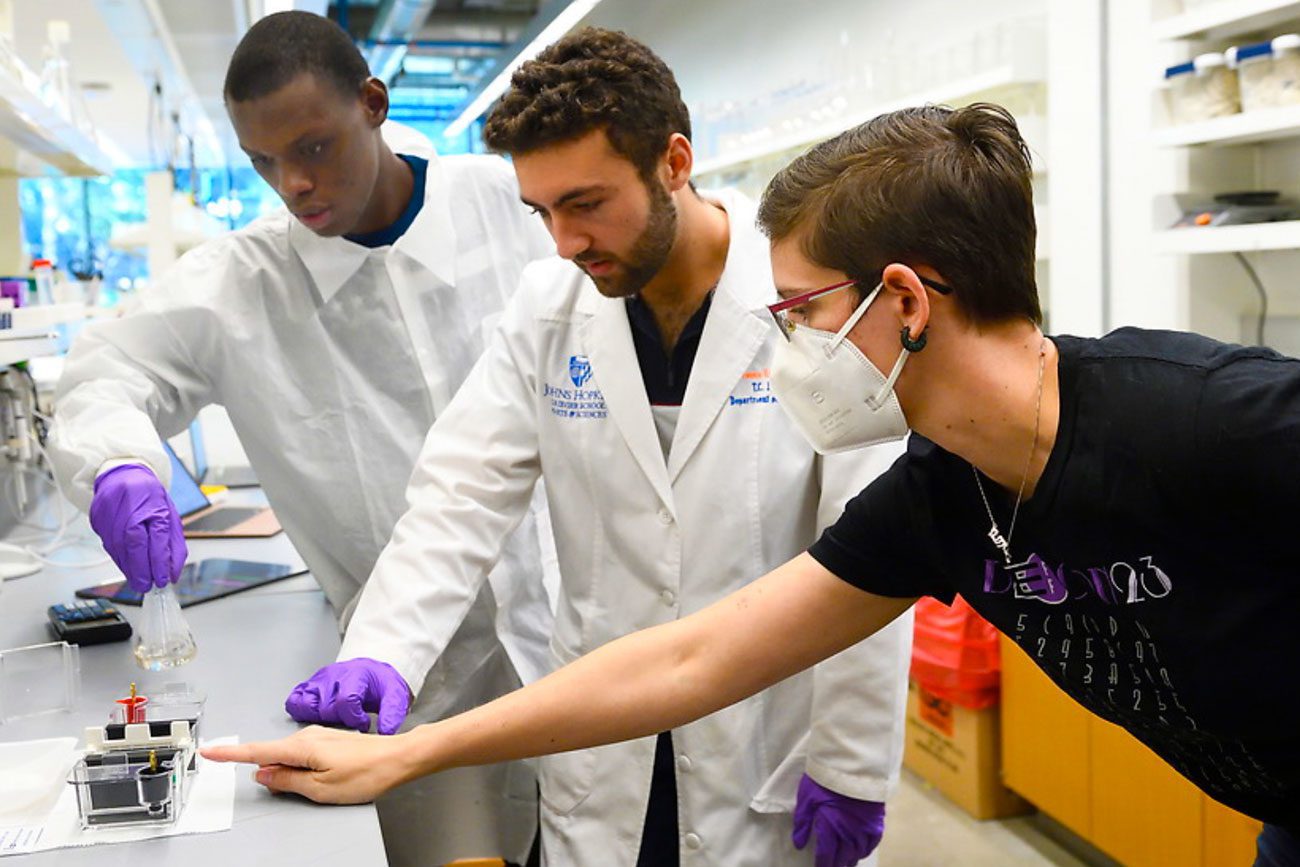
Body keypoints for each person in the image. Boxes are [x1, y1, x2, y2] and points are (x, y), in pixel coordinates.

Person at [205, 102, 1300, 859]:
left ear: (905, 303)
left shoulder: (1206, 419)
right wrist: (409, 754)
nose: (786, 348)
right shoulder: (940, 497)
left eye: (802, 312)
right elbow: (696, 656)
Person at [278, 26, 911, 867]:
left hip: (762, 743)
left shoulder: (804, 301)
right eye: (542, 212)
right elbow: (460, 496)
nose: (564, 242)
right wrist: (381, 652)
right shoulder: (549, 308)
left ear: (673, 162)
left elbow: (871, 552)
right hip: (602, 752)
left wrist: (852, 758)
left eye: (585, 203)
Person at [48, 11, 555, 866]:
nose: (293, 184)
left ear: (372, 102)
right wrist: (118, 466)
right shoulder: (241, 285)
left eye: (314, 147)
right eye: (264, 162)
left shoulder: (512, 207)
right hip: (397, 680)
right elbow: (103, 376)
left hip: (577, 638)